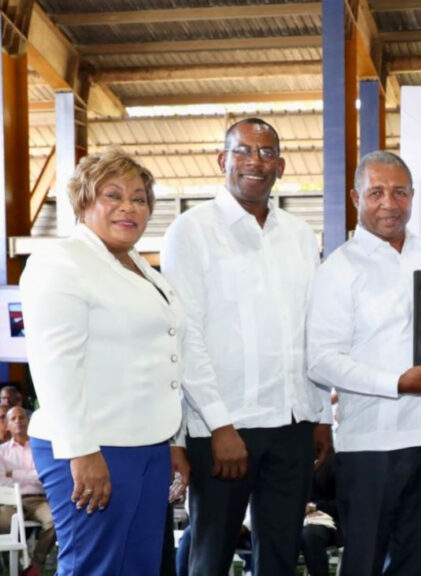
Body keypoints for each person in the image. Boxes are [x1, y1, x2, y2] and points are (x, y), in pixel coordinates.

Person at [162, 118, 331, 575]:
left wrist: (319, 415)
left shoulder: (299, 234)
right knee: (210, 556)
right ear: (223, 160)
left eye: (266, 152)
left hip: (293, 425)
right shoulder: (190, 230)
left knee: (280, 556)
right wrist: (220, 425)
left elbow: (310, 329)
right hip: (225, 428)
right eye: (243, 151)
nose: (255, 161)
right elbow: (186, 336)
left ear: (281, 165)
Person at [20, 149, 188, 574]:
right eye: (113, 195)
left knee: (140, 566)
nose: (129, 207)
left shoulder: (141, 267)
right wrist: (81, 452)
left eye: (139, 198)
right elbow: (56, 365)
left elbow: (163, 357)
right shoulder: (61, 262)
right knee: (96, 566)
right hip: (92, 444)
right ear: (83, 201)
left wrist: (172, 441)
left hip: (146, 445)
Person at [307, 150, 421, 575]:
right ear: (356, 197)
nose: (389, 203)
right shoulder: (338, 269)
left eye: (399, 192)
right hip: (371, 446)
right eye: (376, 193)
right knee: (364, 563)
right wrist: (397, 383)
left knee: (416, 564)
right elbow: (321, 360)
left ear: (412, 196)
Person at [0, 408, 55, 575]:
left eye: (21, 417)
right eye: (13, 418)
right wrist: (31, 475)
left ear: (28, 421)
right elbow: (1, 481)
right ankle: (14, 567)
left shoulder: (40, 449)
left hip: (38, 500)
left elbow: (43, 476)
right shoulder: (1, 451)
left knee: (54, 520)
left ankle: (35, 566)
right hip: (10, 502)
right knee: (3, 524)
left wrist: (14, 474)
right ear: (7, 425)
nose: (18, 421)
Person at [300, 456, 342, 576]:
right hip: (294, 517)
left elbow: (345, 503)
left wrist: (315, 506)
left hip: (329, 520)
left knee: (310, 534)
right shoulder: (295, 462)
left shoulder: (337, 463)